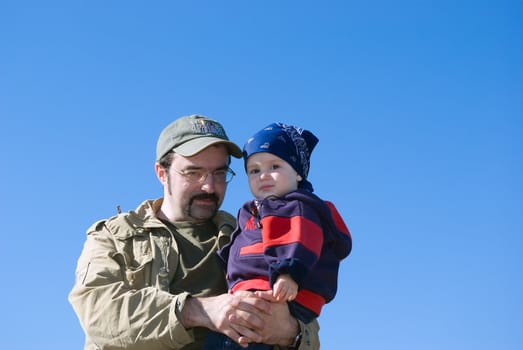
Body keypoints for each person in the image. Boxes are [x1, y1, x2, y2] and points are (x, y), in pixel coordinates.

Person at [68, 115, 320, 350]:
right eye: (193, 172)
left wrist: (288, 331)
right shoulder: (114, 236)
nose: (209, 186)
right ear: (161, 173)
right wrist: (198, 310)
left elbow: (308, 325)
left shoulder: (252, 232)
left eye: (219, 173)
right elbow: (97, 312)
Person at [203, 123, 352, 350]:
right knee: (219, 338)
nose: (263, 175)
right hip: (255, 291)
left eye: (275, 166)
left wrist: (288, 273)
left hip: (281, 291)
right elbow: (238, 245)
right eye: (254, 170)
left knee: (244, 338)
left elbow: (300, 240)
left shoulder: (298, 207)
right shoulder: (254, 209)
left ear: (298, 172)